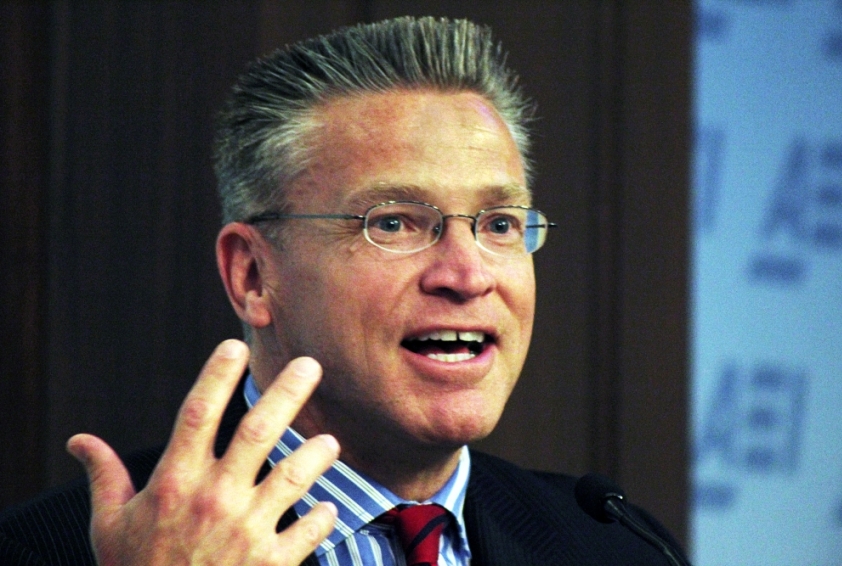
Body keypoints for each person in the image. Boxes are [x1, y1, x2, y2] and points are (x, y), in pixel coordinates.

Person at [0, 16, 687, 566]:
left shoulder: (614, 543)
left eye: (500, 224)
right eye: (393, 223)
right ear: (253, 275)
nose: (467, 275)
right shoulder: (53, 550)